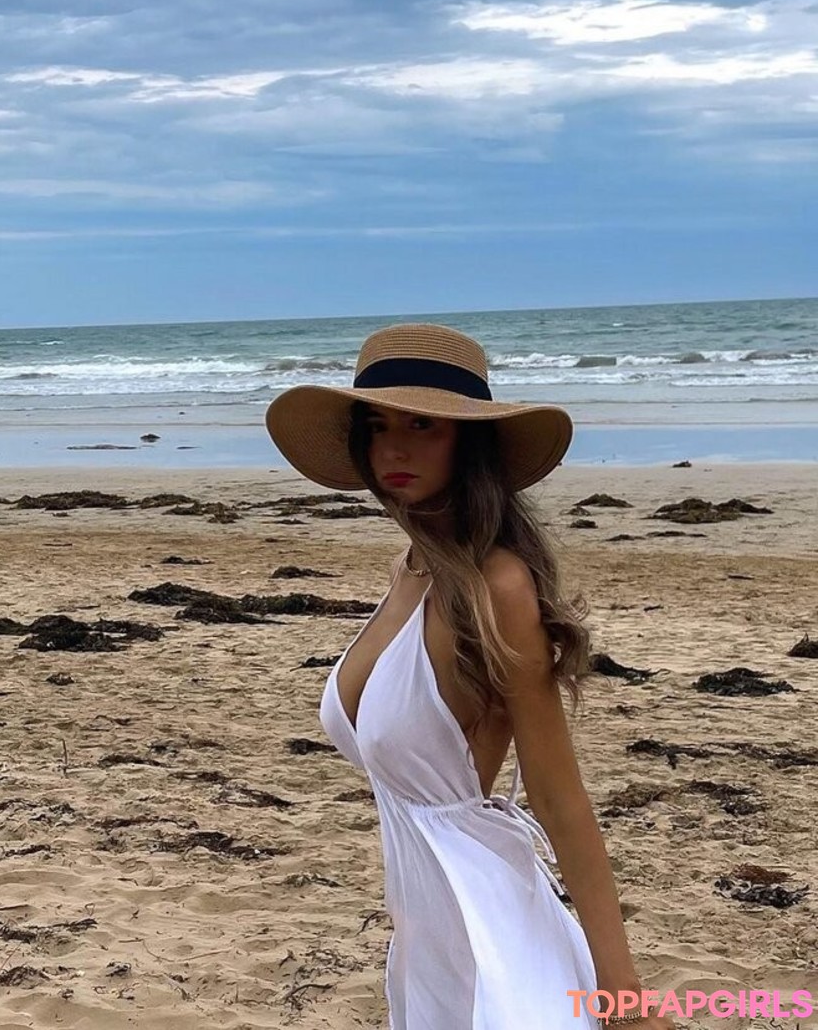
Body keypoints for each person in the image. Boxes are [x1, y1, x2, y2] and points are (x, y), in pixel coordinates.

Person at [265, 323, 674, 1030]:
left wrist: (624, 995)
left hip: (489, 927)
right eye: (377, 425)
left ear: (470, 440)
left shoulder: (498, 587)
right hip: (427, 936)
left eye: (423, 424)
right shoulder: (411, 569)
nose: (394, 448)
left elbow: (559, 796)